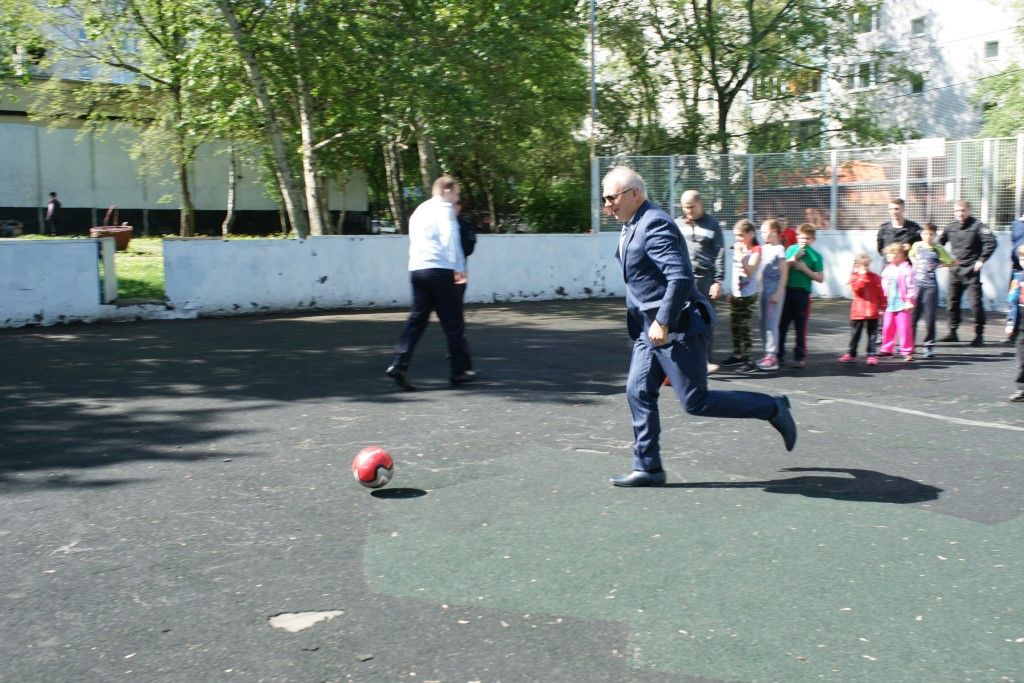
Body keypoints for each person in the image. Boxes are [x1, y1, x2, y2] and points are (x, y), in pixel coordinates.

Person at [602, 165, 796, 487]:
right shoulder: (631, 223)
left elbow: (679, 277)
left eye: (612, 198)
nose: (607, 205)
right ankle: (648, 466)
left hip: (676, 326)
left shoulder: (654, 224)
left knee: (696, 401)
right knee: (637, 391)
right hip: (647, 330)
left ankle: (772, 407)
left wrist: (663, 321)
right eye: (605, 199)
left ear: (634, 194)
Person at [385, 175, 476, 391]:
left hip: (418, 269)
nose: (456, 199)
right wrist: (459, 273)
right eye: (456, 194)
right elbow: (450, 239)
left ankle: (399, 363)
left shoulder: (420, 210)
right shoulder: (444, 208)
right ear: (447, 190)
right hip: (442, 269)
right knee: (453, 323)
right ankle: (459, 371)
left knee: (417, 319)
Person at [676, 190, 725, 372]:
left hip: (706, 278)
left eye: (691, 207)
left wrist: (718, 281)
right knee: (681, 319)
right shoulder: (677, 224)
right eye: (684, 207)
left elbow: (720, 253)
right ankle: (683, 360)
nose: (688, 211)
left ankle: (704, 360)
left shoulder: (713, 224)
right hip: (684, 279)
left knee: (705, 320)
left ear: (700, 204)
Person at [939, 199, 997, 346]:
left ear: (969, 210)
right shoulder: (950, 227)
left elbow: (991, 242)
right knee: (952, 303)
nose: (960, 213)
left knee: (976, 304)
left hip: (972, 271)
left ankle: (979, 335)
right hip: (955, 270)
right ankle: (952, 332)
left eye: (963, 210)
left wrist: (981, 260)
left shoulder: (978, 226)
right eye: (957, 211)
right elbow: (939, 244)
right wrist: (944, 260)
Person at [778, 224, 824, 368]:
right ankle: (779, 355)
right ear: (797, 237)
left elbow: (820, 278)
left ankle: (799, 356)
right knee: (782, 325)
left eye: (808, 238)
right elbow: (783, 268)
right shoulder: (791, 249)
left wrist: (805, 269)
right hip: (787, 291)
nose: (804, 240)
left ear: (813, 239)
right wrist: (793, 258)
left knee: (800, 326)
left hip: (802, 293)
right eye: (802, 237)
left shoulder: (816, 256)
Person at [908, 223, 954, 358]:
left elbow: (951, 262)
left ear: (935, 235)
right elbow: (911, 254)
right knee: (913, 317)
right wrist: (914, 262)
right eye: (925, 233)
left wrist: (938, 265)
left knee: (929, 317)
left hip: (930, 287)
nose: (928, 236)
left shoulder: (938, 248)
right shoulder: (917, 245)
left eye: (931, 234)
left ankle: (928, 346)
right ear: (921, 234)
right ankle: (909, 345)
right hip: (916, 286)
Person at [721, 219, 761, 372]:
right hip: (737, 294)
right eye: (736, 235)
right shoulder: (740, 247)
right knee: (735, 326)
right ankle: (738, 355)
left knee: (745, 328)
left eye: (740, 235)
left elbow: (749, 272)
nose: (737, 239)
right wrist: (732, 292)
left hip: (748, 296)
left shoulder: (756, 250)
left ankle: (749, 360)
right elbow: (736, 272)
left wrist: (741, 255)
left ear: (751, 234)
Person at [838, 253, 885, 365]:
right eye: (863, 266)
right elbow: (857, 290)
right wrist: (862, 277)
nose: (865, 268)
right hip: (858, 312)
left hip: (872, 311)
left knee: (872, 334)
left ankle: (871, 354)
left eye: (867, 266)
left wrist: (882, 306)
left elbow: (881, 293)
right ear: (857, 266)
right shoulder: (854, 278)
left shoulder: (874, 277)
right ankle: (851, 353)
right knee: (855, 334)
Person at [756, 219, 788, 371]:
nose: (762, 234)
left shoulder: (780, 249)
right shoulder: (764, 248)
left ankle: (772, 357)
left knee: (771, 323)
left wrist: (778, 292)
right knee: (763, 323)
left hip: (774, 290)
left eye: (764, 231)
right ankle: (766, 354)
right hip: (764, 290)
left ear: (774, 231)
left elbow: (784, 274)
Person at [878, 243, 917, 361]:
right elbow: (882, 286)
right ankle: (886, 349)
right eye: (887, 254)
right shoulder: (887, 269)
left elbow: (912, 286)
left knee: (904, 328)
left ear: (900, 255)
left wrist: (909, 300)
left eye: (891, 254)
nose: (888, 256)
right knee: (887, 327)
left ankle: (907, 351)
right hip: (889, 304)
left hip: (902, 304)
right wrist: (881, 302)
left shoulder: (907, 269)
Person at [1007, 244, 1024, 401]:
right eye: (1022, 257)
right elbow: (1012, 302)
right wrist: (1010, 322)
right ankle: (1022, 388)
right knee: (1021, 359)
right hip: (1021, 326)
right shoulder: (1017, 277)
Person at [455, 199, 477, 305]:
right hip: (441, 268)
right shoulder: (439, 223)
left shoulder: (465, 224)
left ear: (460, 207)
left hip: (459, 268)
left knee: (458, 296)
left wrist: (458, 255)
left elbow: (470, 246)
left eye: (456, 205)